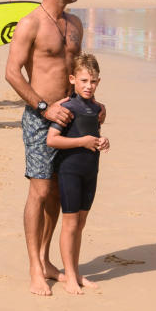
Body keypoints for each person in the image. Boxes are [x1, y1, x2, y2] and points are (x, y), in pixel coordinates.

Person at [5, 0, 88, 295]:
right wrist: (43, 107)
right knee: (39, 190)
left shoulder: (76, 24)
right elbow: (12, 72)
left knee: (58, 192)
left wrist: (90, 105)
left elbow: (79, 70)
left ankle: (47, 258)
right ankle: (34, 268)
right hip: (40, 119)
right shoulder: (30, 24)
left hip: (71, 118)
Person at [46, 52, 109, 295]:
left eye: (93, 81)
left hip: (91, 171)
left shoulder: (97, 108)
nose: (88, 86)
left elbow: (93, 133)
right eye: (83, 81)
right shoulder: (66, 107)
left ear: (99, 82)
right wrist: (82, 141)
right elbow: (52, 140)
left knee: (80, 224)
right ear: (73, 79)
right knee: (70, 223)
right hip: (69, 170)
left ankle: (76, 272)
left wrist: (102, 141)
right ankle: (69, 274)